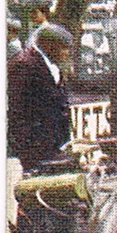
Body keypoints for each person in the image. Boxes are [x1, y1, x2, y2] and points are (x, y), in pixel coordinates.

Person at [7, 22, 74, 170]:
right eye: (63, 48)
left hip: (51, 144)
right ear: (48, 45)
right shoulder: (23, 64)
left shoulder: (51, 64)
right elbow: (15, 108)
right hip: (33, 148)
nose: (66, 53)